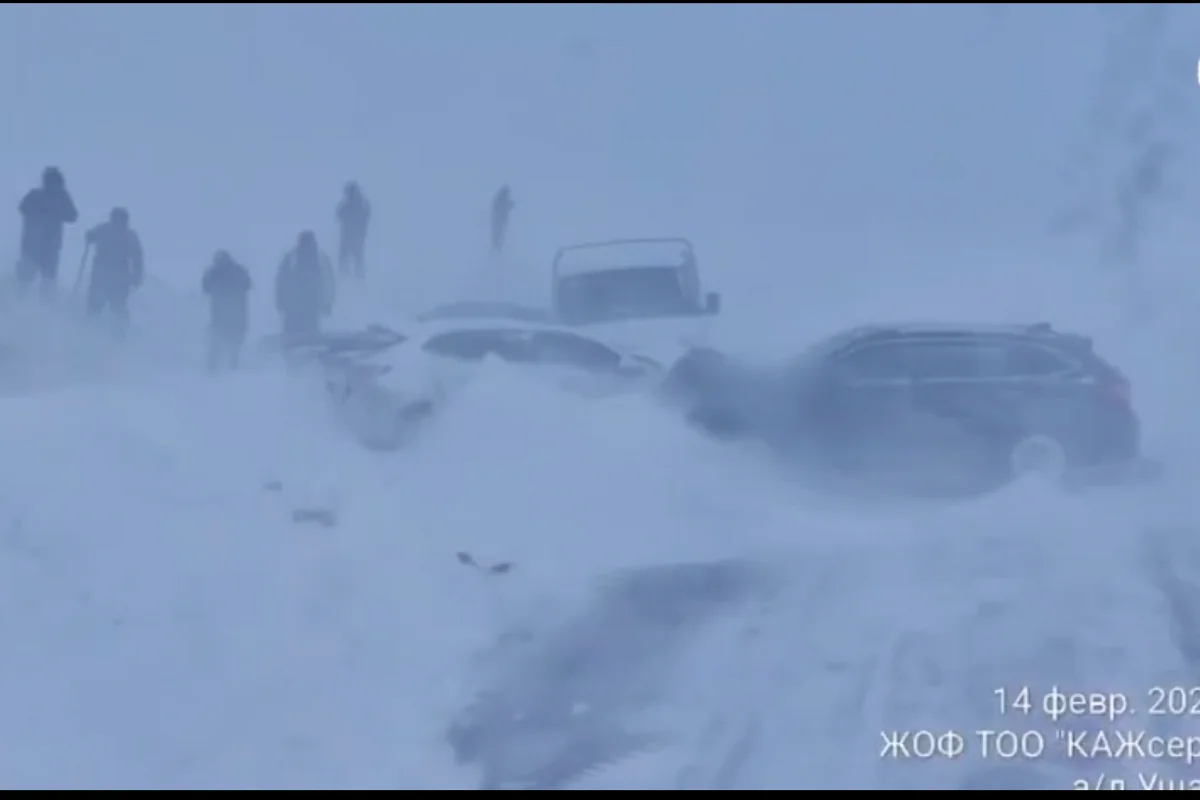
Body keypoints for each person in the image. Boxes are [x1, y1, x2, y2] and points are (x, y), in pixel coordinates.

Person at [17, 166, 79, 300]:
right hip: (32, 246)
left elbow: (72, 216)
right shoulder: (36, 195)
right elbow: (23, 208)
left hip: (49, 248)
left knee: (47, 283)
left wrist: (56, 209)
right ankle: (14, 307)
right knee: (24, 281)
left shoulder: (62, 198)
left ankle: (46, 312)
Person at [83, 207, 143, 337]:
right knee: (99, 302)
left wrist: (137, 276)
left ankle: (118, 333)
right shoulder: (107, 230)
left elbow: (137, 258)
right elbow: (92, 236)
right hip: (105, 272)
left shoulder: (127, 235)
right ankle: (90, 329)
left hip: (116, 274)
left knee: (117, 305)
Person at [275, 230, 335, 337]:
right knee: (291, 337)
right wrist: (280, 301)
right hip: (292, 307)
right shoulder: (291, 258)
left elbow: (329, 282)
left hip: (313, 306)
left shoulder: (321, 258)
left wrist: (328, 303)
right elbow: (281, 281)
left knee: (310, 338)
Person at [201, 250, 252, 372]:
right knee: (225, 346)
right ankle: (224, 370)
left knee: (220, 345)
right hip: (233, 315)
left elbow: (206, 287)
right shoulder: (237, 271)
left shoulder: (216, 272)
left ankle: (215, 371)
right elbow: (248, 284)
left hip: (225, 316)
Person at [336, 181, 370, 280]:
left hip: (354, 238)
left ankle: (356, 282)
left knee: (356, 262)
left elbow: (339, 214)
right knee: (351, 261)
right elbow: (339, 214)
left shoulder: (359, 204)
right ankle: (347, 280)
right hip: (349, 237)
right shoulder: (359, 204)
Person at [490, 185, 514, 256]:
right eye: (508, 193)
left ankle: (497, 251)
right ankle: (495, 252)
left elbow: (504, 207)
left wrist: (509, 205)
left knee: (499, 237)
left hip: (500, 222)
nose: (509, 195)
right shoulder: (501, 199)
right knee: (497, 237)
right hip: (498, 222)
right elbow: (501, 208)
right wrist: (509, 205)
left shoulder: (501, 199)